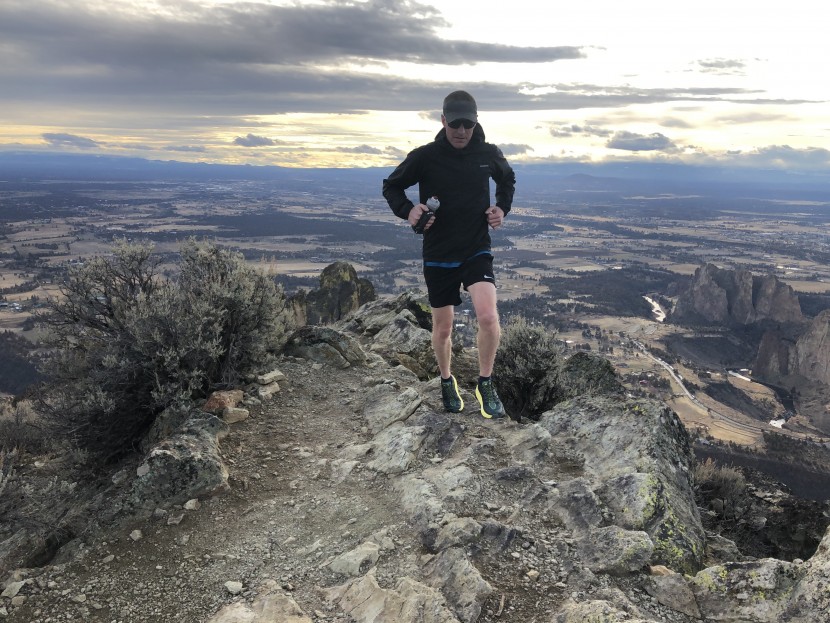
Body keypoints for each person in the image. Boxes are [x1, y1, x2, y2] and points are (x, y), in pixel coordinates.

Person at [382, 90, 516, 419]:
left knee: (487, 316)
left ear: (476, 122)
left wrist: (502, 208)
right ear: (443, 121)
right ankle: (446, 380)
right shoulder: (425, 157)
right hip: (439, 252)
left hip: (475, 248)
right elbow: (391, 186)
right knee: (443, 328)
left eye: (467, 124)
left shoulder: (487, 153)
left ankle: (485, 381)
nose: (461, 130)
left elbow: (507, 179)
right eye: (454, 123)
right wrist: (408, 211)